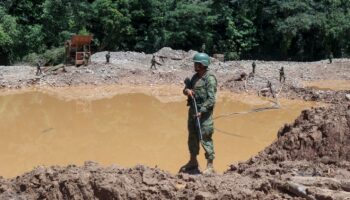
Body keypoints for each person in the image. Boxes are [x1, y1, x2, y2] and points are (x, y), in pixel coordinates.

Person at [180, 52, 217, 175]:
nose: (195, 65)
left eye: (197, 63)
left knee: (205, 138)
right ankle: (193, 161)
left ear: (202, 64)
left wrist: (202, 111)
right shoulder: (195, 77)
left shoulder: (210, 79)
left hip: (204, 115)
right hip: (193, 112)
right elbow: (186, 90)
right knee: (192, 137)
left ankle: (210, 165)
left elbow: (211, 99)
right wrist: (187, 91)